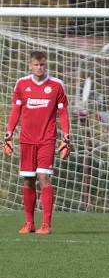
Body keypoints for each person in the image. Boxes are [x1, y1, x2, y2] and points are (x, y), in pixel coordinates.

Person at [4, 51, 70, 235]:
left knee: (44, 177)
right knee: (28, 180)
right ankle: (29, 223)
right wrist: (8, 133)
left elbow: (63, 112)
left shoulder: (56, 85)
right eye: (36, 64)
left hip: (47, 139)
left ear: (45, 65)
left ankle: (46, 225)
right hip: (26, 140)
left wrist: (66, 135)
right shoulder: (21, 84)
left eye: (42, 65)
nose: (39, 68)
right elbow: (15, 110)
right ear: (30, 65)